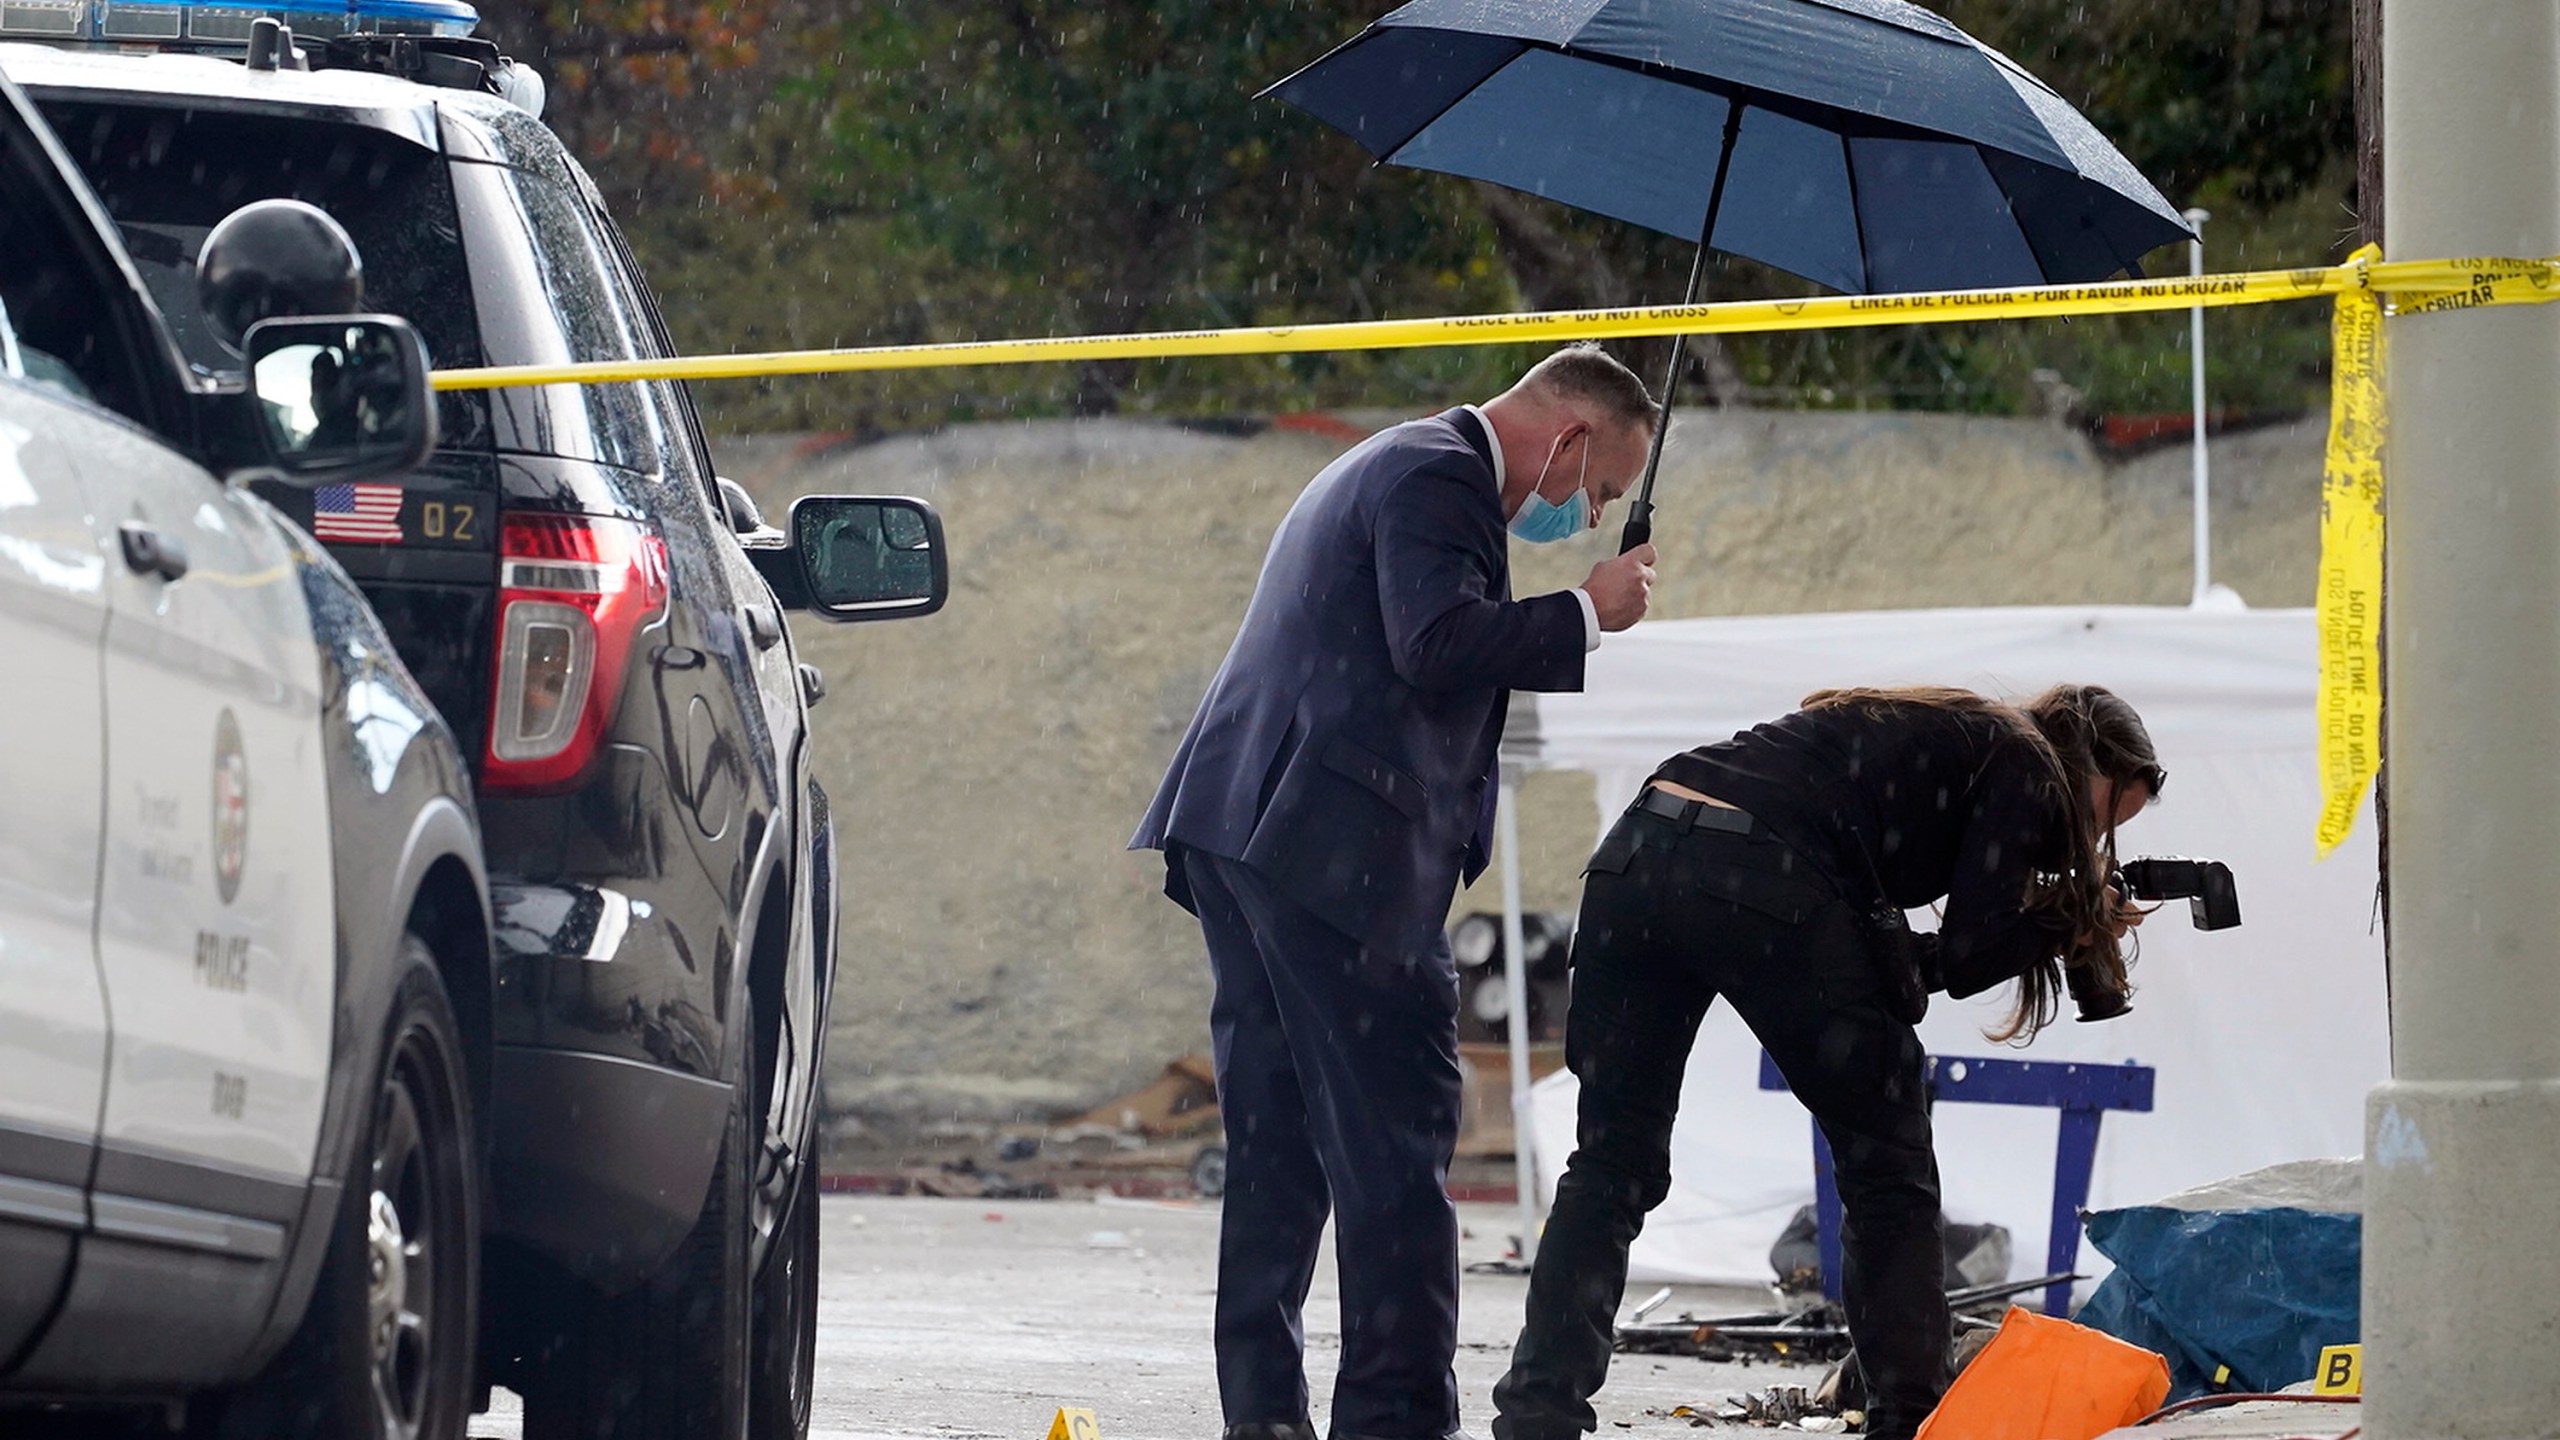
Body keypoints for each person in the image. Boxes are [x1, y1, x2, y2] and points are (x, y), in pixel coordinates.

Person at [1130, 344, 1664, 1440]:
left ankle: (1263, 1417)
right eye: (1603, 488)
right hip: (1332, 852)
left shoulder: (1395, 459)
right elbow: (1436, 645)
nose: (1594, 513)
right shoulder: (1438, 478)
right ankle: (1396, 1419)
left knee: (1276, 1146)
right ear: (1566, 440)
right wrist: (1586, 613)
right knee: (1398, 1141)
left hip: (1252, 831)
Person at [1490, 684, 2165, 1440]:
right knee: (1888, 1168)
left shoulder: (1934, 736)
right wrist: (2075, 916)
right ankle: (1909, 1419)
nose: (2094, 842)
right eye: (2104, 816)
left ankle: (1537, 1413)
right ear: (2084, 762)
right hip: (1760, 869)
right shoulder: (2028, 760)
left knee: (1611, 1166)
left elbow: (1902, 957)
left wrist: (2037, 922)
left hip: (1637, 856)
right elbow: (1972, 954)